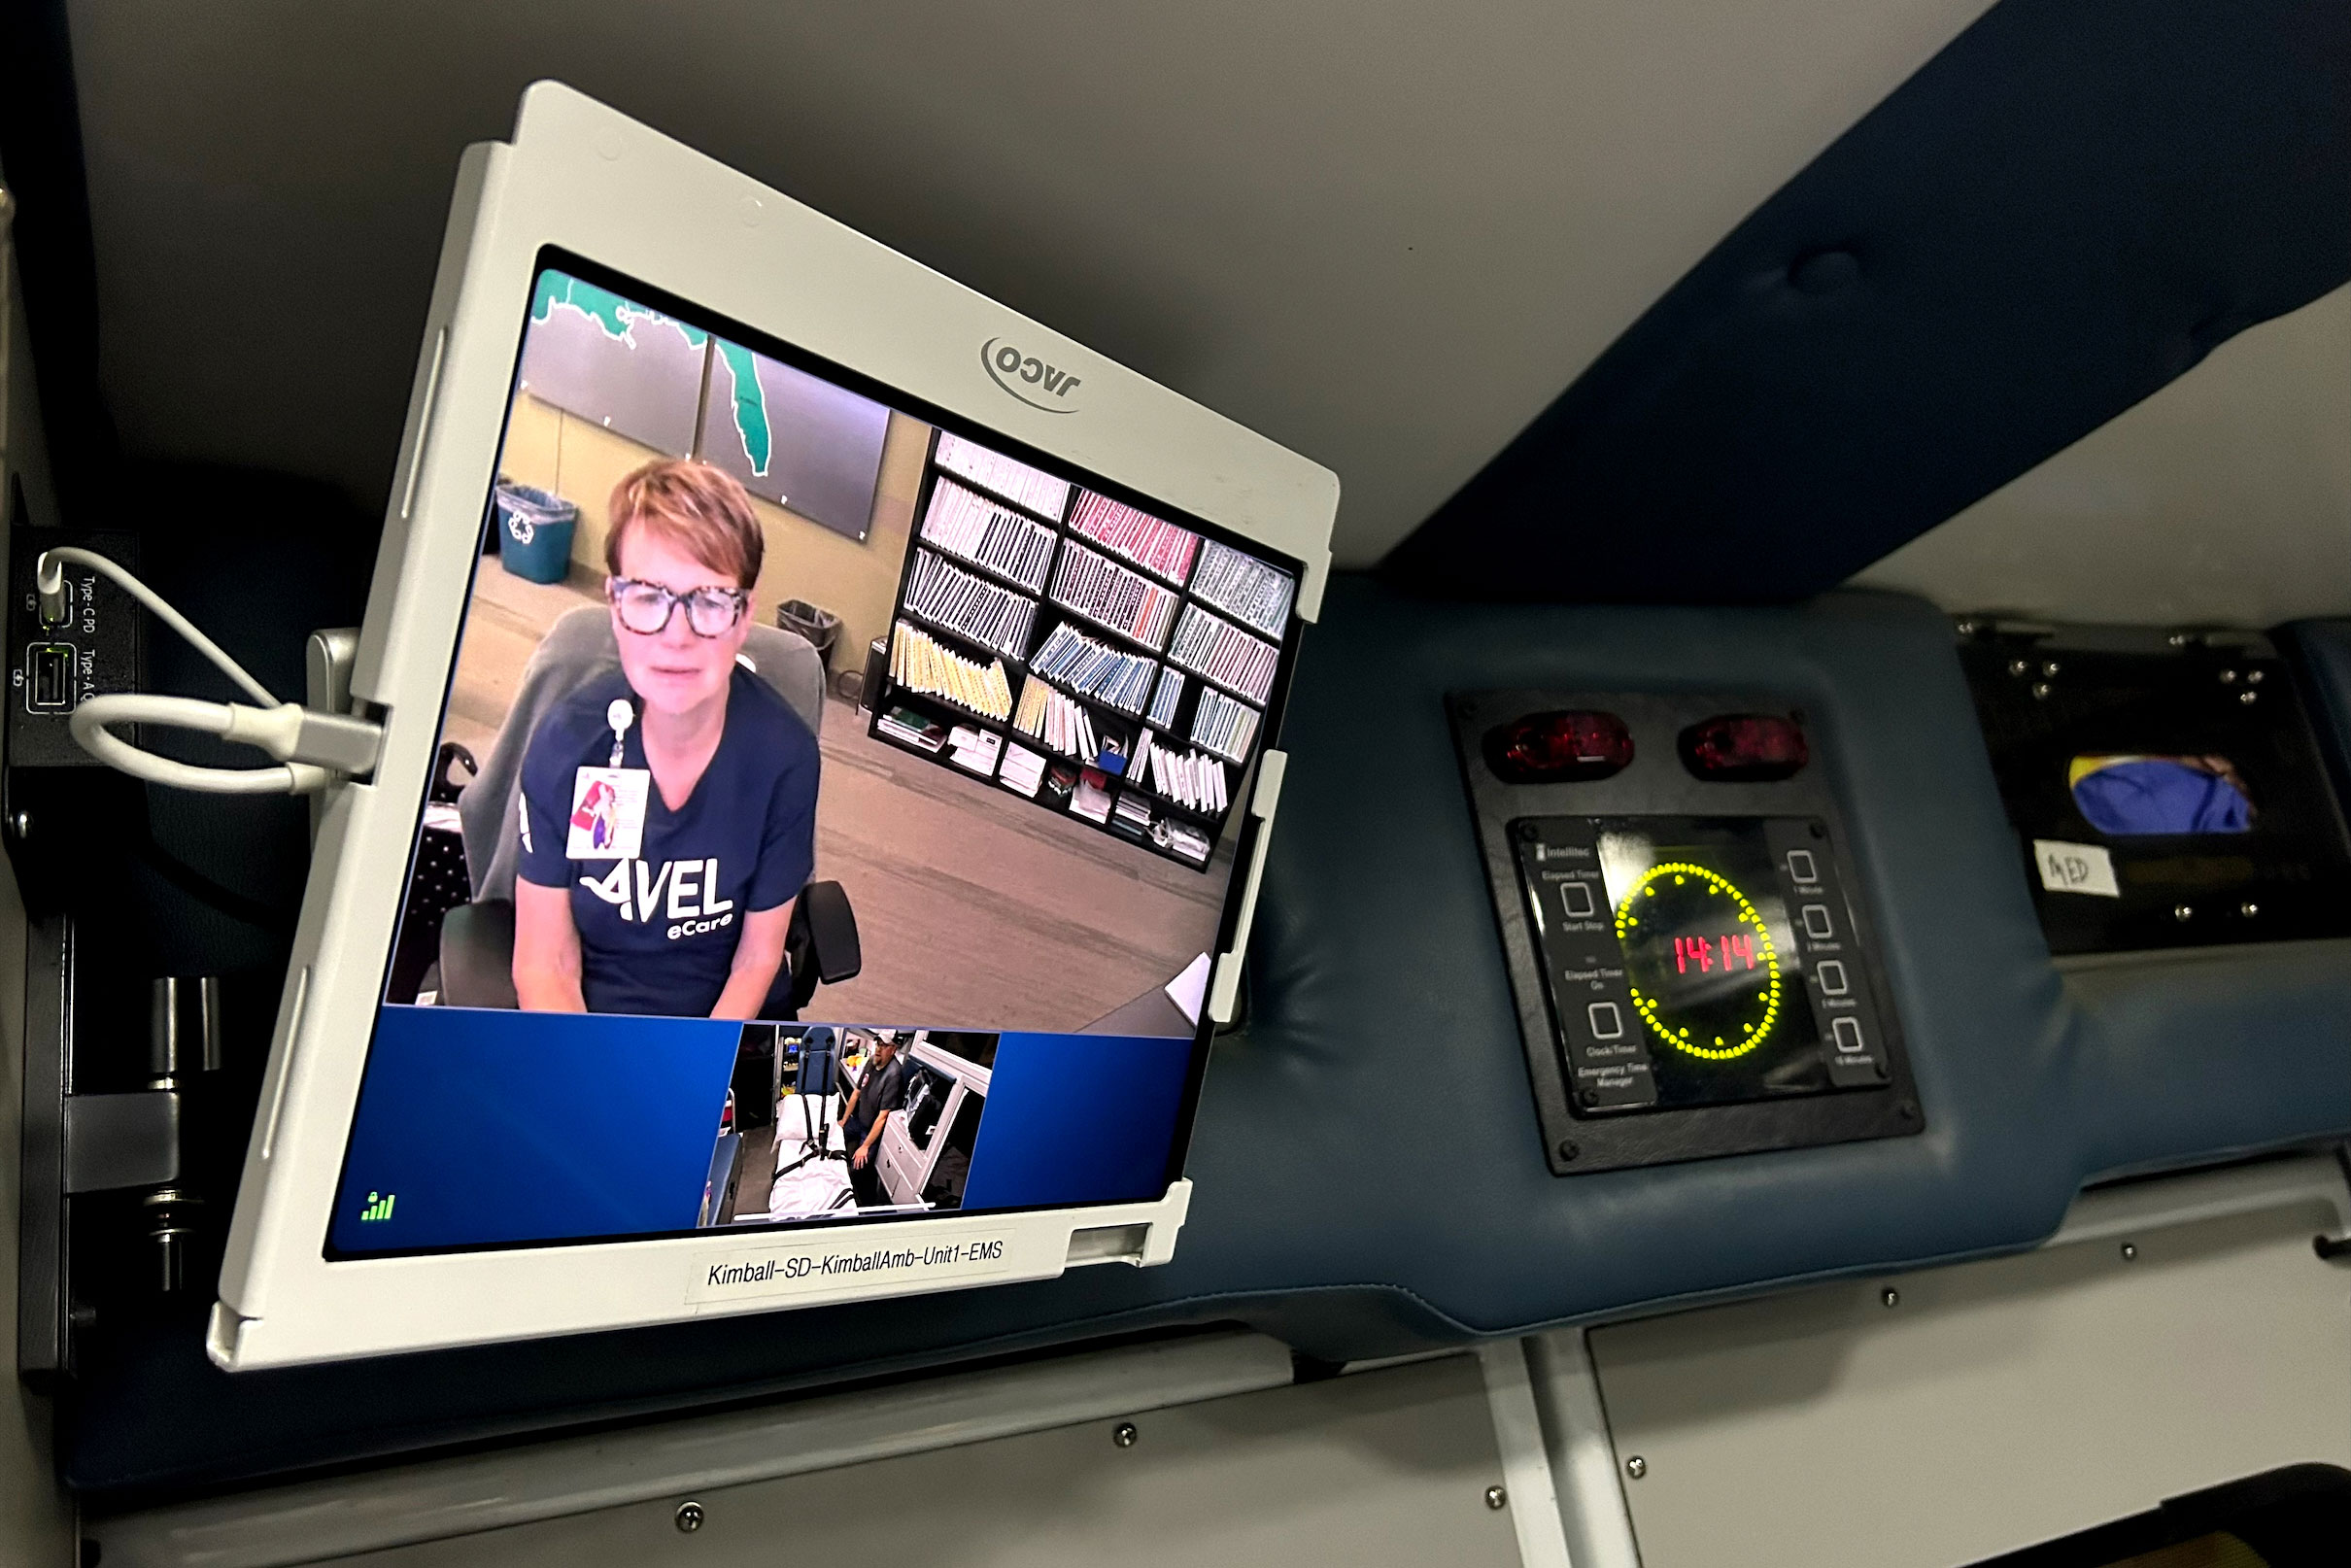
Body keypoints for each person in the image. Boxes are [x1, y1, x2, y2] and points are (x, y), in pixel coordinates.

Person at [512, 459, 821, 1018]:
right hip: (593, 1021)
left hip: (727, 1029)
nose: (676, 637)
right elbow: (545, 962)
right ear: (615, 604)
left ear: (744, 615)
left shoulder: (784, 757)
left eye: (708, 601)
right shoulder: (567, 745)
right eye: (649, 597)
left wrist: (687, 1077)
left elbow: (756, 960)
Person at [840, 1033, 910, 1207]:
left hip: (872, 1130)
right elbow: (856, 1093)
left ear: (893, 1049)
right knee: (836, 1134)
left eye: (884, 1045)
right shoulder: (872, 1061)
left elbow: (882, 1116)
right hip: (858, 1120)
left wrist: (865, 1146)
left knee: (859, 1167)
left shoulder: (893, 1075)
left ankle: (862, 1202)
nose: (878, 1048)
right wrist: (843, 1120)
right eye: (877, 1044)